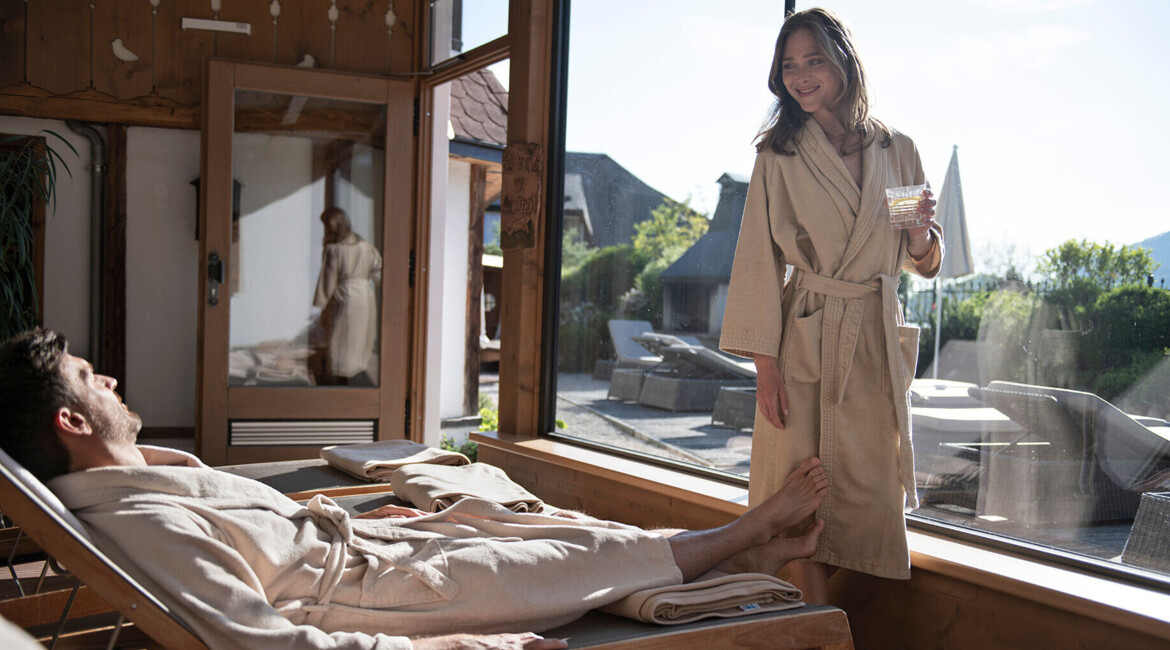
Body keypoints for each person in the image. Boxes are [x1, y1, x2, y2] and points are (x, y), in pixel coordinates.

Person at [0, 329, 829, 650]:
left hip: (364, 548)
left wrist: (353, 512)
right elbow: (263, 643)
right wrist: (465, 648)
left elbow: (255, 536)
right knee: (577, 554)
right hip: (383, 598)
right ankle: (751, 532)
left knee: (537, 532)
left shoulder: (138, 484)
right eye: (89, 378)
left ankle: (737, 551)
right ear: (73, 425)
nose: (108, 378)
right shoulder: (140, 525)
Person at [719, 8, 944, 605]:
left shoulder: (897, 150)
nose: (801, 75)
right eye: (789, 66)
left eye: (813, 60)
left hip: (871, 329)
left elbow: (918, 252)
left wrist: (921, 235)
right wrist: (764, 366)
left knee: (866, 492)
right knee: (793, 486)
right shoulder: (780, 154)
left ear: (844, 60)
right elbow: (757, 258)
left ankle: (803, 620)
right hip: (805, 330)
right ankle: (819, 625)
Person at [312, 207, 382, 386]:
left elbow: (327, 283)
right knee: (359, 343)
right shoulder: (366, 246)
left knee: (339, 345)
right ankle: (356, 382)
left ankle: (338, 387)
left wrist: (322, 306)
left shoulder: (334, 249)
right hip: (365, 297)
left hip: (345, 297)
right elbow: (378, 274)